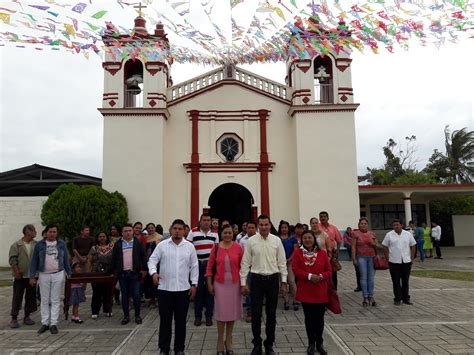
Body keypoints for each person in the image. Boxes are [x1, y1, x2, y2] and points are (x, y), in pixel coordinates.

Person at [148, 219, 198, 355]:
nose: (177, 231)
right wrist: (153, 273)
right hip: (164, 289)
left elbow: (194, 267)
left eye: (180, 229)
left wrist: (194, 284)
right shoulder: (162, 245)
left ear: (184, 231)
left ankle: (179, 349)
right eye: (175, 228)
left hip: (183, 290)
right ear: (170, 229)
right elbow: (152, 260)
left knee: (181, 322)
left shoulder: (189, 247)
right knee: (165, 322)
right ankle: (164, 349)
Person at [240, 214, 288, 355]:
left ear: (270, 225)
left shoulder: (276, 241)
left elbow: (282, 263)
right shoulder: (251, 241)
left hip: (273, 280)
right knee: (255, 314)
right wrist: (243, 283)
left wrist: (284, 282)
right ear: (257, 226)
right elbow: (245, 263)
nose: (264, 227)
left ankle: (269, 344)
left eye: (266, 224)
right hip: (256, 280)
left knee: (271, 314)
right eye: (261, 225)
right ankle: (257, 344)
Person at [292, 230, 331, 355]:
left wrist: (320, 276)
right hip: (306, 291)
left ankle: (319, 342)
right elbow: (296, 270)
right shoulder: (298, 253)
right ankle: (311, 343)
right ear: (302, 240)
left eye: (310, 238)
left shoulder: (322, 253)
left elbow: (329, 271)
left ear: (314, 239)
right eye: (305, 238)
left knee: (320, 319)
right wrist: (309, 276)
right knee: (309, 319)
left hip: (320, 291)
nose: (307, 240)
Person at [206, 224, 244, 354]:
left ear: (233, 233)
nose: (227, 235)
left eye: (230, 233)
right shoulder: (215, 247)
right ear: (221, 234)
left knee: (232, 312)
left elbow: (243, 267)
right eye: (225, 233)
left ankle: (229, 340)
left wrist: (244, 283)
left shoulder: (238, 247)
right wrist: (209, 283)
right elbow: (209, 267)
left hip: (234, 283)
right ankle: (219, 340)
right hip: (219, 283)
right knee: (221, 312)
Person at [29, 224, 71, 334]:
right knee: (45, 299)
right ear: (46, 232)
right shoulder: (39, 245)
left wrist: (69, 273)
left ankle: (53, 323)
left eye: (54, 232)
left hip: (58, 273)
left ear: (57, 233)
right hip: (44, 274)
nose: (52, 234)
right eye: (50, 232)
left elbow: (66, 259)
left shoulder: (61, 244)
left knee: (55, 299)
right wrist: (32, 276)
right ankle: (45, 323)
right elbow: (34, 261)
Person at [111, 223, 148, 325]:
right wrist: (114, 272)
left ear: (132, 232)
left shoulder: (138, 243)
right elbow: (114, 259)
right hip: (122, 274)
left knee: (136, 295)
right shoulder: (118, 244)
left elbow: (143, 256)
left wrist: (144, 269)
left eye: (129, 231)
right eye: (125, 231)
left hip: (135, 274)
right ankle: (126, 316)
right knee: (125, 296)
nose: (128, 233)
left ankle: (137, 315)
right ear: (122, 233)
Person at [187, 213, 219, 327]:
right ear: (200, 221)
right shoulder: (193, 232)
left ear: (211, 222)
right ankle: (197, 317)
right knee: (198, 291)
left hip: (210, 266)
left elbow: (217, 250)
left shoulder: (215, 234)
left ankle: (209, 316)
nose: (206, 222)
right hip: (197, 266)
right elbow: (188, 249)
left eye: (208, 220)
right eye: (204, 220)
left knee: (210, 291)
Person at [9, 224, 38, 328]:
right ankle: (14, 318)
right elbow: (12, 260)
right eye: (33, 230)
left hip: (32, 276)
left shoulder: (36, 244)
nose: (35, 232)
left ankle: (27, 316)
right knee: (17, 297)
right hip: (20, 277)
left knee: (30, 297)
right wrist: (16, 271)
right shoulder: (16, 245)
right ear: (27, 232)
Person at [382, 219, 416, 305]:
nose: (395, 227)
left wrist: (412, 258)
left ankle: (406, 298)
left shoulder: (408, 234)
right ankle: (397, 298)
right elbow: (385, 246)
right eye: (394, 225)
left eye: (397, 225)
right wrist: (387, 258)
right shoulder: (389, 235)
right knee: (396, 281)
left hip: (406, 261)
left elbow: (413, 246)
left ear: (401, 225)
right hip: (393, 261)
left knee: (405, 280)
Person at [351, 218, 378, 307]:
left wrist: (374, 244)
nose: (363, 225)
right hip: (361, 257)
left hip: (371, 257)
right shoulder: (355, 234)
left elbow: (377, 246)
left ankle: (371, 296)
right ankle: (365, 296)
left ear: (368, 224)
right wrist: (354, 258)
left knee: (371, 278)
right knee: (363, 277)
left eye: (365, 223)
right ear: (359, 225)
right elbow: (353, 247)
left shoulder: (372, 234)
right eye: (361, 223)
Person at [87, 231, 114, 319]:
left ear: (107, 237)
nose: (102, 238)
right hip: (96, 273)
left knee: (108, 292)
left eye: (104, 236)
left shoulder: (112, 247)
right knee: (96, 292)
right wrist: (89, 272)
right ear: (97, 238)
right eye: (100, 236)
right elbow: (89, 261)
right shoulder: (94, 248)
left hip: (108, 272)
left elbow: (115, 259)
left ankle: (108, 310)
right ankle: (95, 311)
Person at [278, 220, 299, 311]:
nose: (284, 229)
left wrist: (289, 259)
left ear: (288, 228)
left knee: (291, 281)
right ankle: (286, 301)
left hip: (290, 262)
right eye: (282, 227)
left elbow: (295, 250)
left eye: (285, 227)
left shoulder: (293, 238)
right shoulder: (277, 238)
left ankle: (296, 300)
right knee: (283, 282)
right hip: (280, 263)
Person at [318, 211, 342, 289]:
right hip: (320, 253)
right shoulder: (317, 227)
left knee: (333, 272)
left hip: (331, 253)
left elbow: (339, 241)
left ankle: (333, 290)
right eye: (321, 216)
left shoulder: (333, 228)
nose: (323, 218)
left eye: (324, 216)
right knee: (322, 272)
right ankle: (323, 289)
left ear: (328, 218)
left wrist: (337, 252)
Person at [240, 221, 257, 323]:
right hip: (248, 269)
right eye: (249, 227)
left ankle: (257, 310)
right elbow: (241, 255)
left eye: (252, 227)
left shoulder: (260, 238)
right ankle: (250, 311)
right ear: (246, 229)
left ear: (256, 228)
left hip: (258, 268)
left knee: (258, 291)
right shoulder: (242, 241)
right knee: (249, 290)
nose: (250, 229)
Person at [144, 222, 163, 308]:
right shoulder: (145, 238)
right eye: (149, 228)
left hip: (159, 263)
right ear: (147, 229)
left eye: (152, 228)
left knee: (159, 280)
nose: (151, 229)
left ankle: (159, 298)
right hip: (148, 263)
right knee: (149, 281)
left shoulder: (160, 237)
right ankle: (152, 299)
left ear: (155, 228)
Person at [343, 226, 361, 292]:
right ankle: (359, 286)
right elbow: (346, 241)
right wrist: (353, 258)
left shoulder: (367, 234)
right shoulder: (350, 234)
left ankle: (363, 286)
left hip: (363, 255)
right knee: (358, 271)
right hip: (355, 254)